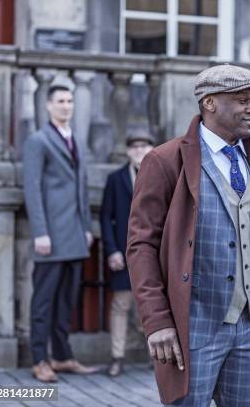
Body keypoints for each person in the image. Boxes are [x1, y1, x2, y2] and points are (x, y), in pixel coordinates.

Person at [126, 64, 250, 406]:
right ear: (210, 103)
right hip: (193, 329)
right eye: (242, 99)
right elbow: (141, 246)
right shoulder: (164, 161)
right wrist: (156, 321)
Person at [23, 81, 98, 382]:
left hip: (75, 235)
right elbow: (32, 187)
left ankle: (63, 356)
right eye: (61, 101)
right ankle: (39, 359)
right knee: (43, 302)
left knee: (67, 300)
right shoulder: (38, 140)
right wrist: (40, 231)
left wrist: (87, 228)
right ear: (48, 105)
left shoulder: (76, 139)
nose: (66, 106)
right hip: (50, 237)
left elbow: (82, 189)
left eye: (70, 101)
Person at [100, 130, 155, 376]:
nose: (139, 151)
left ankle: (158, 358)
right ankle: (117, 357)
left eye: (144, 146)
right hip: (123, 253)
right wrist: (111, 250)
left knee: (154, 306)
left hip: (154, 255)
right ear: (127, 150)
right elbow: (105, 217)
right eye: (135, 147)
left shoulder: (162, 176)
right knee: (121, 305)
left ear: (152, 149)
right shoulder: (115, 178)